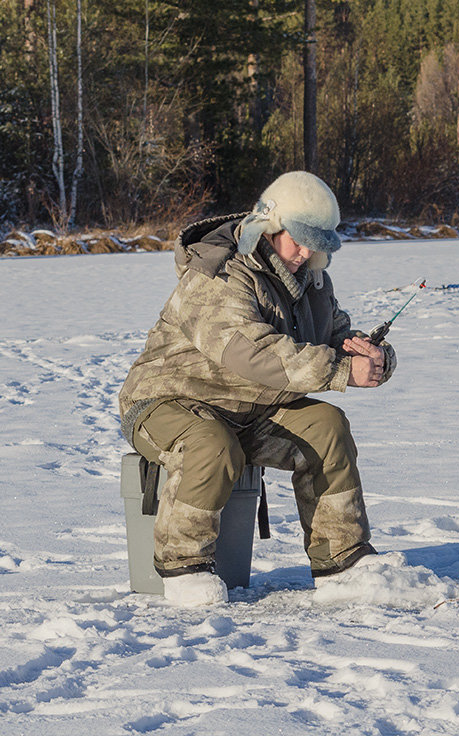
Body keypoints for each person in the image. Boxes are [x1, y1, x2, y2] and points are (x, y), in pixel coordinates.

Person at [118, 171, 396, 607]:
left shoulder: (312, 281)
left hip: (252, 408)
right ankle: (183, 567)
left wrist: (372, 355)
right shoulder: (217, 273)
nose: (306, 252)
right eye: (298, 239)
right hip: (169, 400)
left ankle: (343, 562)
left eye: (316, 242)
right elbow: (253, 353)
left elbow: (335, 335)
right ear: (270, 226)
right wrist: (343, 371)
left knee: (327, 425)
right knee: (211, 443)